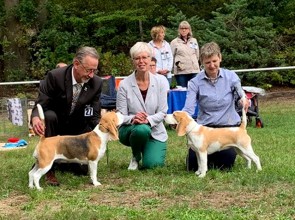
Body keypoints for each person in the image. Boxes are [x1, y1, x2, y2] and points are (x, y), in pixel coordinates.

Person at [31, 46, 103, 186]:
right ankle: (49, 168)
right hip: (56, 124)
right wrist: (35, 117)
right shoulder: (55, 76)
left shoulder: (97, 83)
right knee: (49, 115)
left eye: (95, 70)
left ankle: (63, 160)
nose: (91, 75)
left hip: (78, 128)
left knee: (81, 170)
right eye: (88, 70)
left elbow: (94, 114)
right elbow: (41, 102)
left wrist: (105, 129)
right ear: (76, 64)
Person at [182, 41, 249, 171]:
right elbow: (189, 108)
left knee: (225, 165)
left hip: (227, 128)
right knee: (192, 166)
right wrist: (180, 118)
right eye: (207, 63)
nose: (212, 66)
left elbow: (240, 95)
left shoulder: (231, 76)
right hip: (206, 128)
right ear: (202, 62)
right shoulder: (194, 82)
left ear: (220, 58)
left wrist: (244, 101)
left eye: (214, 61)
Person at [116, 42, 168, 170]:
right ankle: (135, 156)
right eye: (137, 58)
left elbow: (163, 112)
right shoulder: (124, 84)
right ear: (133, 61)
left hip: (155, 130)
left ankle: (146, 149)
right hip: (131, 129)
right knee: (141, 129)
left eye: (145, 57)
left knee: (152, 165)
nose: (141, 61)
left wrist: (147, 120)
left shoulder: (161, 81)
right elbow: (120, 115)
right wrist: (134, 118)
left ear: (151, 59)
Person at [170, 21, 200, 88]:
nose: (184, 30)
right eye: (182, 28)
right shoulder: (174, 42)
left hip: (194, 70)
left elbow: (197, 54)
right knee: (183, 90)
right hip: (181, 71)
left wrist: (193, 62)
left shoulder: (194, 40)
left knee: (195, 90)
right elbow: (171, 56)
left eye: (186, 28)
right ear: (179, 30)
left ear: (189, 30)